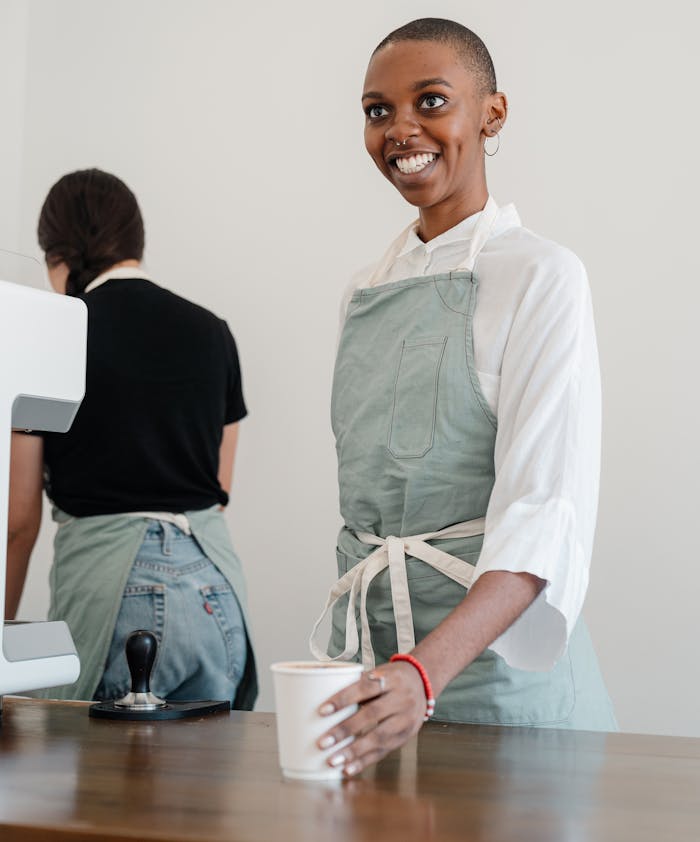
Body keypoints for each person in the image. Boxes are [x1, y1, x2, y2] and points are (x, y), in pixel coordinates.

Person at [310, 18, 616, 776]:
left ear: (492, 113)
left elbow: (544, 512)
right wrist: (389, 672)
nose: (399, 129)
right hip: (380, 676)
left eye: (431, 100)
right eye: (378, 110)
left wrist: (425, 672)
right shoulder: (362, 292)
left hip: (497, 677)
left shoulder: (542, 275)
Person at [6, 168, 256, 708]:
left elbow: (19, 521)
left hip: (115, 594)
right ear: (135, 241)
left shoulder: (53, 336)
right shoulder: (213, 331)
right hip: (216, 592)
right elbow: (218, 488)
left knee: (98, 787)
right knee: (199, 790)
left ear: (57, 255)